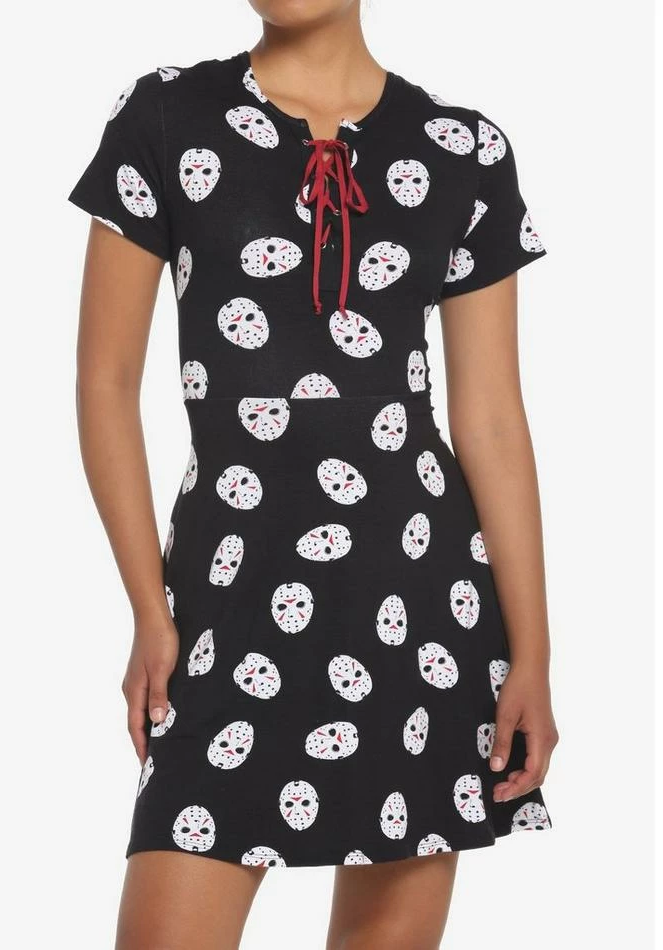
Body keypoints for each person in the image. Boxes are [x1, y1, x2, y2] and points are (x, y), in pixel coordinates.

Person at [67, 2, 559, 947]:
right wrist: (148, 609)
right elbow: (105, 383)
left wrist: (533, 653)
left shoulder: (462, 149)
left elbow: (493, 420)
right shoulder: (166, 117)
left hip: (418, 604)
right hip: (226, 603)